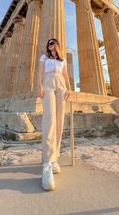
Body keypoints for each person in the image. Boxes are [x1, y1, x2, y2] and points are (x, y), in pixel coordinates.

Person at [37, 38, 71, 191]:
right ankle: (47, 162)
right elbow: (40, 72)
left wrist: (69, 88)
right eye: (49, 43)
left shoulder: (62, 60)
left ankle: (54, 157)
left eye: (53, 43)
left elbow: (65, 75)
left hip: (61, 84)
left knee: (59, 121)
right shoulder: (44, 57)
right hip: (49, 82)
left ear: (57, 45)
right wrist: (39, 86)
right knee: (49, 120)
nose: (51, 45)